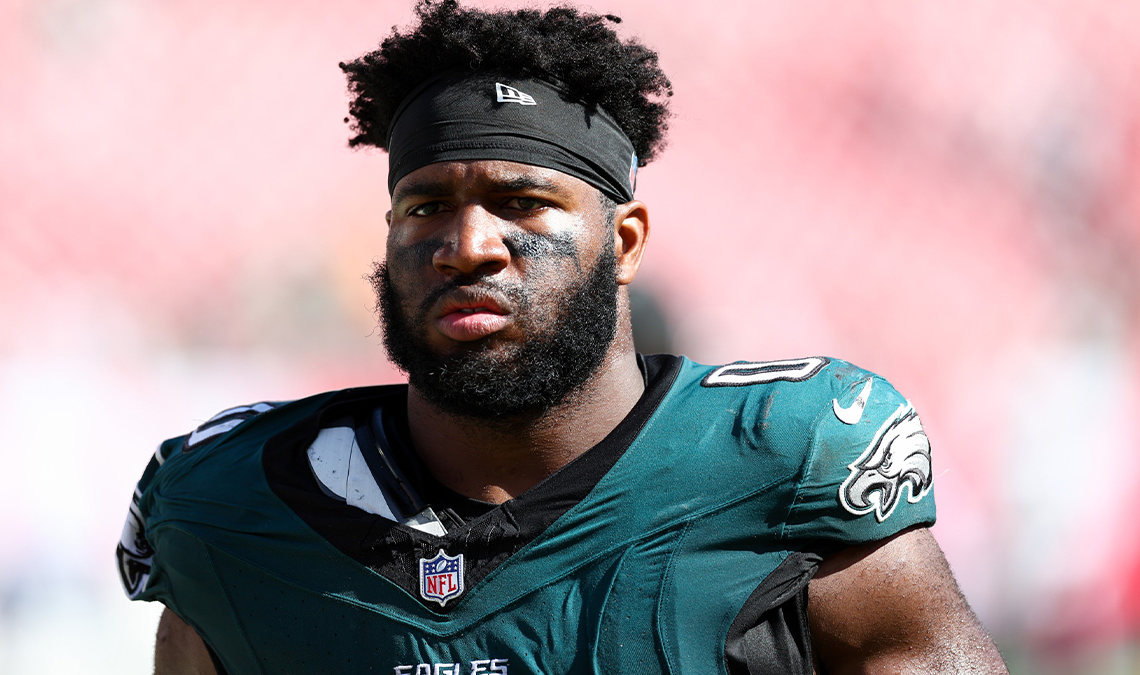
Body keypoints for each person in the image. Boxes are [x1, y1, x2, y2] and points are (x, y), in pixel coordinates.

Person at [116, 1, 1009, 673]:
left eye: (521, 202)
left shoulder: (784, 461)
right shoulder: (230, 503)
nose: (467, 245)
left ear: (626, 243)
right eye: (425, 207)